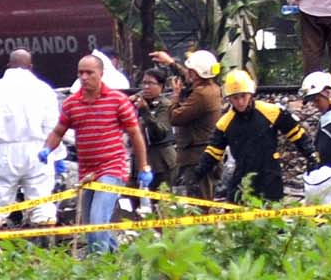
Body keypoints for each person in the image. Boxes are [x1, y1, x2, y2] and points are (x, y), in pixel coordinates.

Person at [41, 55, 150, 254]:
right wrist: (47, 149)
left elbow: (135, 133)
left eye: (89, 72)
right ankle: (116, 262)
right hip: (87, 171)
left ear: (100, 74)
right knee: (90, 225)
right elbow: (58, 131)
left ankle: (97, 265)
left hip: (112, 167)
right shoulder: (72, 103)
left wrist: (143, 166)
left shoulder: (117, 100)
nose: (84, 77)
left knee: (98, 219)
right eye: (80, 72)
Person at [0, 50, 61, 230]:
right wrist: (56, 154)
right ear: (31, 67)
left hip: (4, 153)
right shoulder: (43, 89)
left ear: (8, 65)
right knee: (42, 204)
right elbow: (54, 126)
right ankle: (45, 249)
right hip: (39, 152)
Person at [193, 70, 315, 203]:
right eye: (235, 97)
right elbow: (213, 153)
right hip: (243, 180)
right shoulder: (225, 123)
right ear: (228, 98)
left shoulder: (271, 111)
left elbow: (296, 134)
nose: (240, 102)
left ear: (251, 94)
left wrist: (311, 155)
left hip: (270, 178)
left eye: (243, 96)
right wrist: (198, 174)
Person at [150, 49, 224, 201]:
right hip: (200, 155)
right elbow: (188, 76)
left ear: (196, 74)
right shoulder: (211, 88)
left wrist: (175, 97)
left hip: (197, 157)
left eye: (191, 71)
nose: (187, 73)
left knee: (199, 203)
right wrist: (170, 62)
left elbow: (175, 118)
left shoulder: (201, 95)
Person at [300, 71, 331, 204]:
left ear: (328, 93)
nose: (316, 105)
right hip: (329, 177)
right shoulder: (328, 116)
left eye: (317, 100)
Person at [133, 67, 177, 190]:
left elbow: (159, 132)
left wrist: (145, 112)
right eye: (144, 83)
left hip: (161, 162)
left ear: (161, 86)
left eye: (151, 83)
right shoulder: (138, 101)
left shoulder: (164, 105)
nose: (146, 87)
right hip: (140, 161)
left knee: (161, 201)